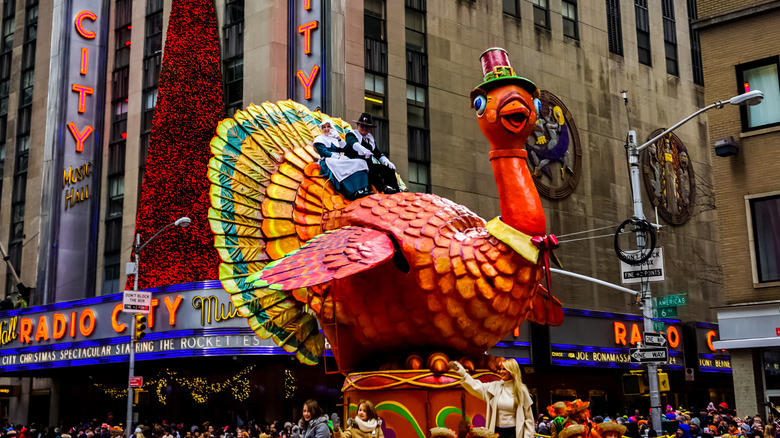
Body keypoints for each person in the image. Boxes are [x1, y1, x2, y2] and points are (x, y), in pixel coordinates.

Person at [448, 358, 534, 438]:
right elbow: (477, 386)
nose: (500, 372)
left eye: (504, 369)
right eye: (500, 369)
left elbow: (528, 419)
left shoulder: (521, 390)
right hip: (497, 432)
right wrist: (463, 373)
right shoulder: (495, 387)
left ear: (512, 371)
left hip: (514, 433)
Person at [313, 119, 371, 200]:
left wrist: (338, 138)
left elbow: (345, 149)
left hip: (340, 159)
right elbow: (323, 152)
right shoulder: (319, 139)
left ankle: (363, 188)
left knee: (360, 162)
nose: (326, 129)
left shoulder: (334, 138)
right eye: (324, 127)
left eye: (328, 126)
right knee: (341, 166)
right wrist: (336, 157)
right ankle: (352, 191)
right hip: (329, 160)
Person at [345, 113, 400, 195]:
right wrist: (362, 149)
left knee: (388, 169)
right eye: (362, 126)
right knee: (369, 167)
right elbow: (353, 143)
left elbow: (377, 153)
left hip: (368, 165)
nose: (364, 128)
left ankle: (395, 190)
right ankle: (383, 188)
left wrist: (385, 161)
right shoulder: (351, 135)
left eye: (366, 126)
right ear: (357, 126)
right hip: (354, 164)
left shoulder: (370, 139)